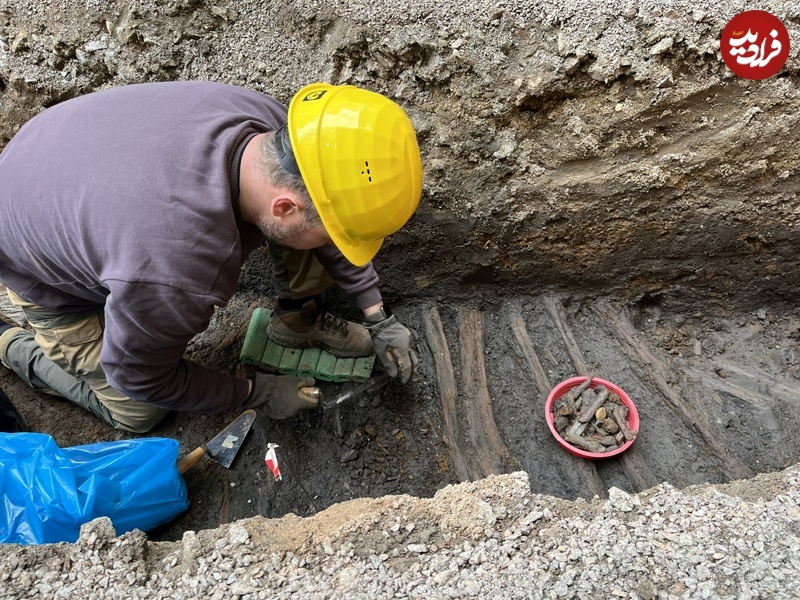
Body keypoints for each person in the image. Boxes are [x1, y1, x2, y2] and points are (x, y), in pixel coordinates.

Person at [0, 80, 422, 433]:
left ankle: (298, 320)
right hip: (37, 265)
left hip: (57, 163)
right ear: (284, 206)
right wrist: (255, 392)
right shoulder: (175, 268)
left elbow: (327, 212)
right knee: (139, 411)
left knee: (306, 236)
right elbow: (139, 375)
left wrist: (376, 313)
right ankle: (11, 343)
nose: (336, 241)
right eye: (335, 232)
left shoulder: (278, 131)